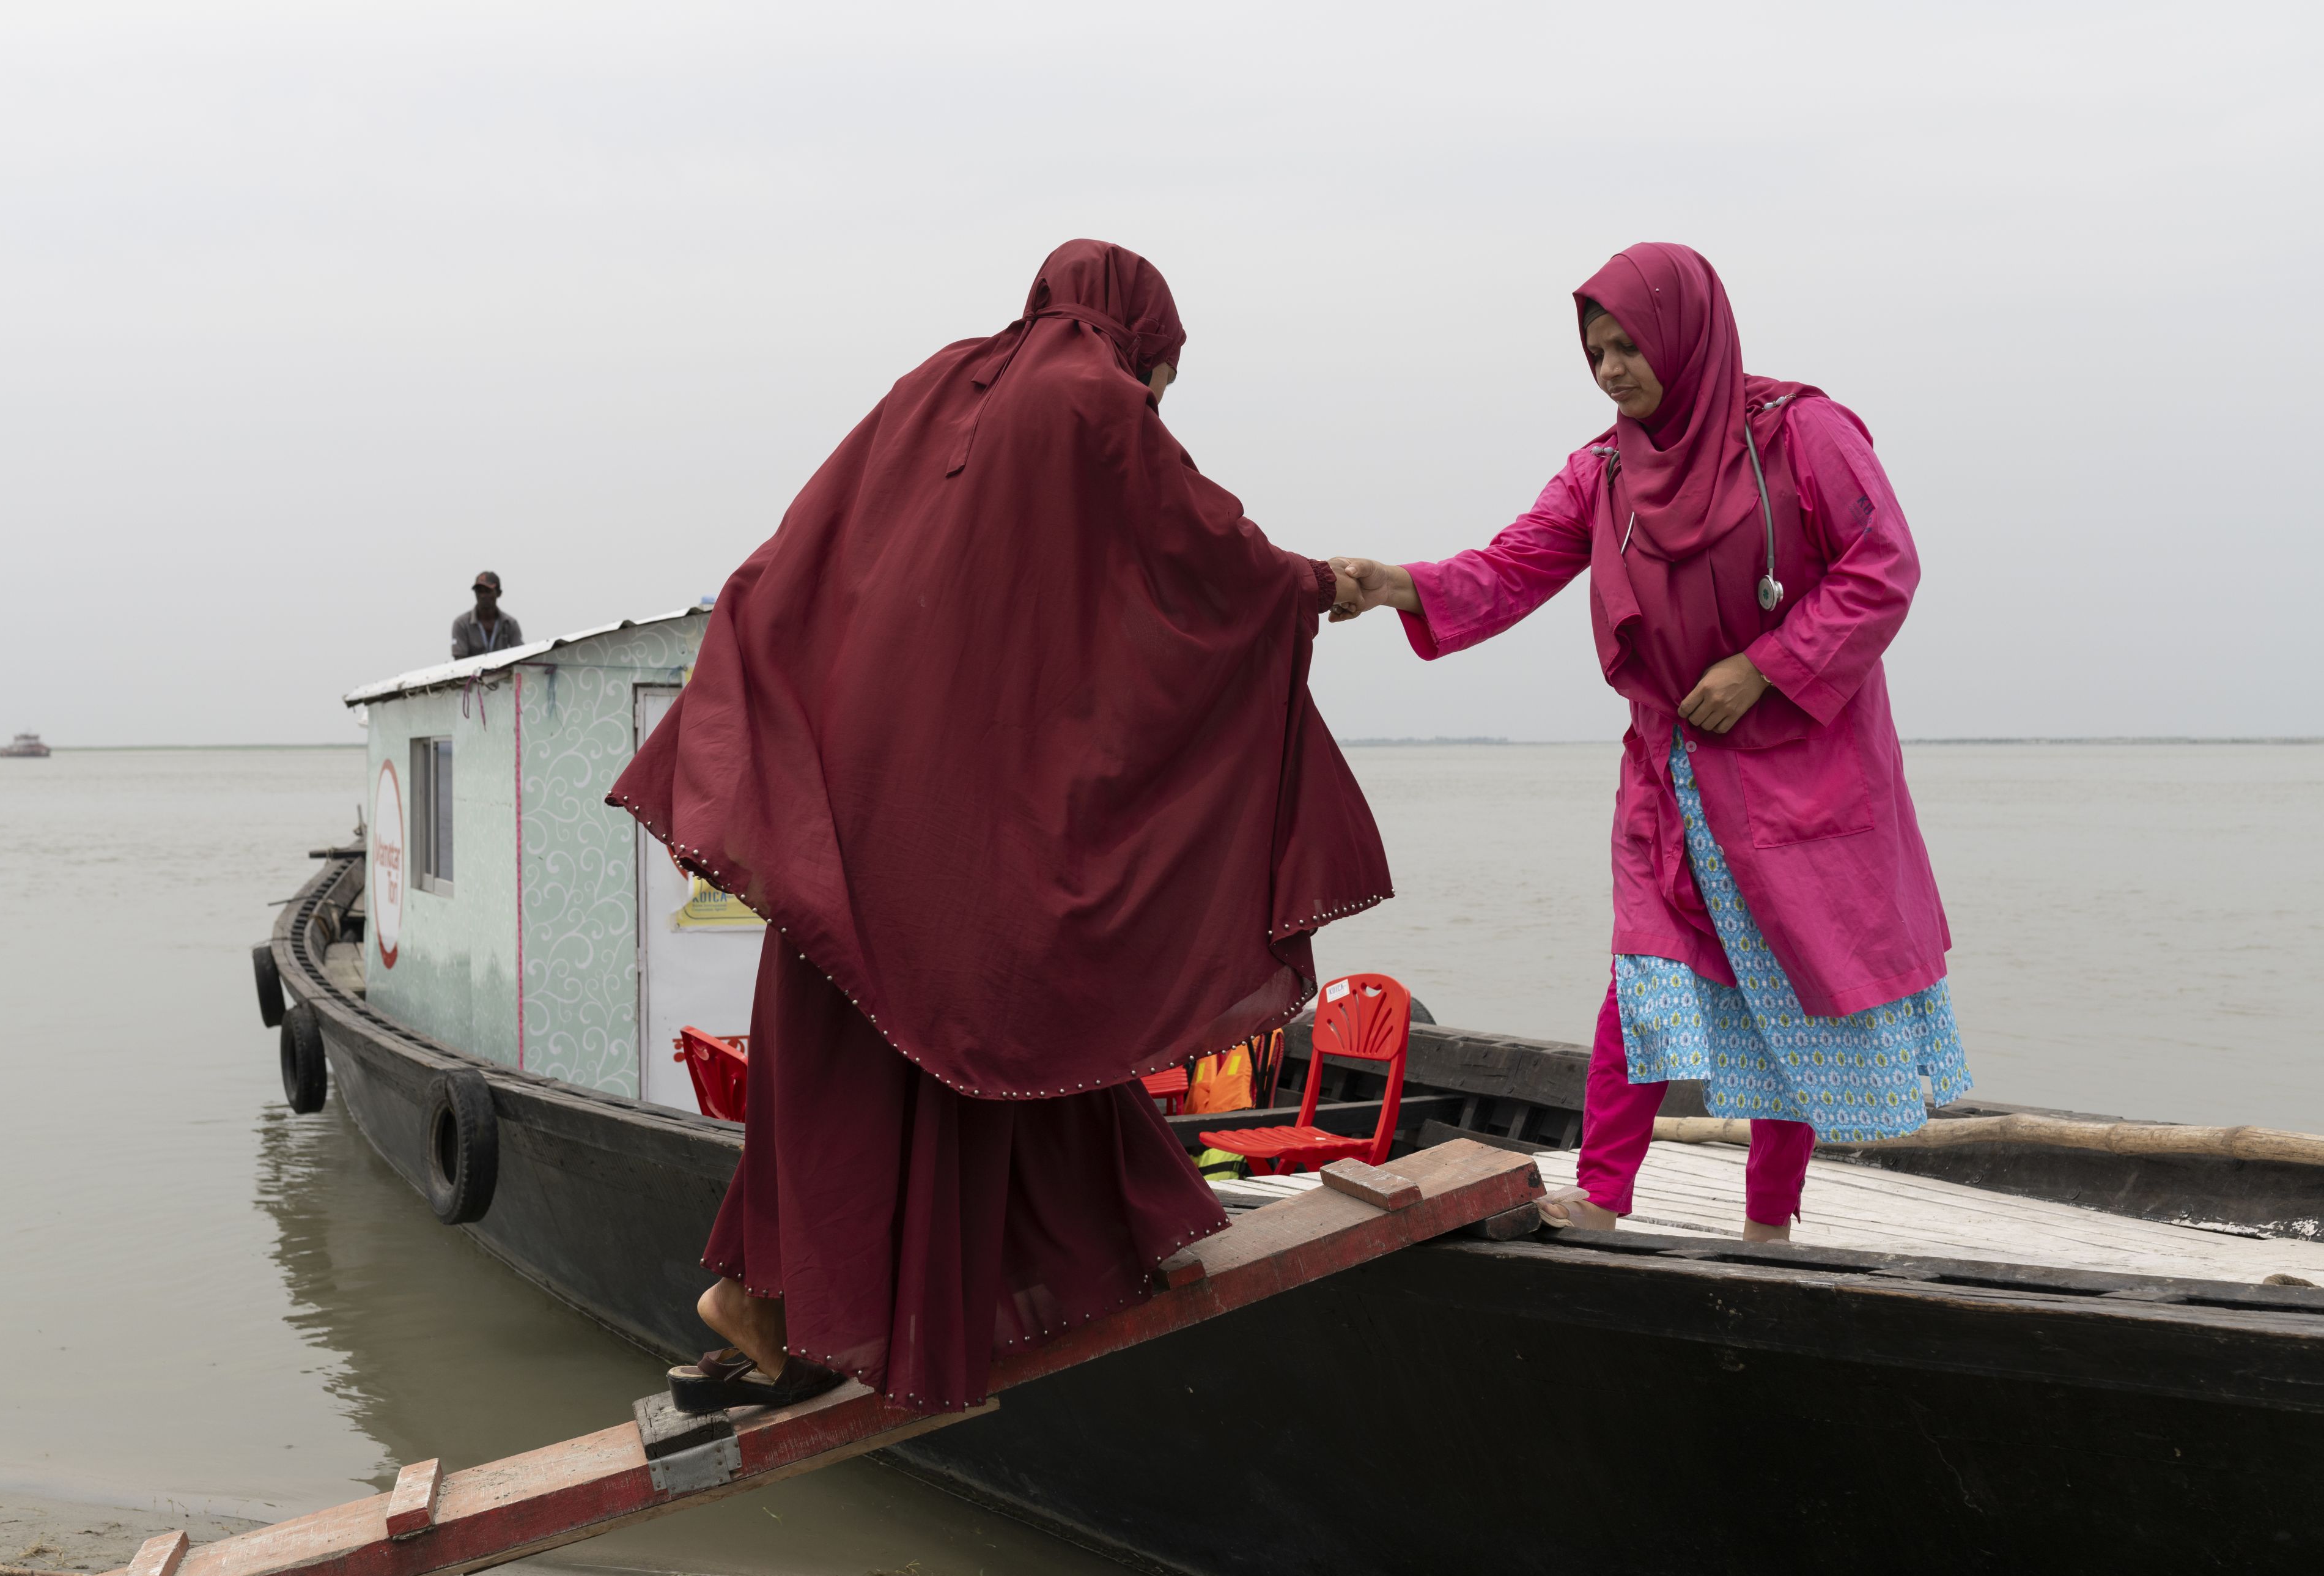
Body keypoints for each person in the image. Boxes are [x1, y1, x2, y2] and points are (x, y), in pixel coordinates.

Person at [610, 239, 1389, 1413]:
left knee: (869, 1058)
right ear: (1140, 340)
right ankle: (792, 1307)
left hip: (864, 800)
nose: (1156, 399)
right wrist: (1320, 586)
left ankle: (778, 1309)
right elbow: (1194, 554)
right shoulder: (1091, 398)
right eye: (1163, 376)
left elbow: (805, 552)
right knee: (1009, 1027)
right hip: (955, 827)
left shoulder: (937, 384)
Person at [1334, 242, 1971, 1243]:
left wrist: (1763, 666)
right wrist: (1396, 585)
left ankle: (1769, 1224)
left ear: (1688, 334)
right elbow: (1511, 567)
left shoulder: (1800, 433)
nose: (1613, 370)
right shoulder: (1601, 473)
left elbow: (1881, 564)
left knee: (1791, 983)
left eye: (1631, 346)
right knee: (1643, 977)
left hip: (1802, 768)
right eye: (1596, 353)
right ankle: (1603, 1193)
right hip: (1671, 772)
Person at [451, 571, 523, 659]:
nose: (483, 596)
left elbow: (521, 655)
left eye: (487, 591)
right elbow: (460, 661)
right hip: (472, 672)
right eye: (479, 591)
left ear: (499, 593)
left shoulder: (510, 624)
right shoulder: (462, 624)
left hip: (505, 672)